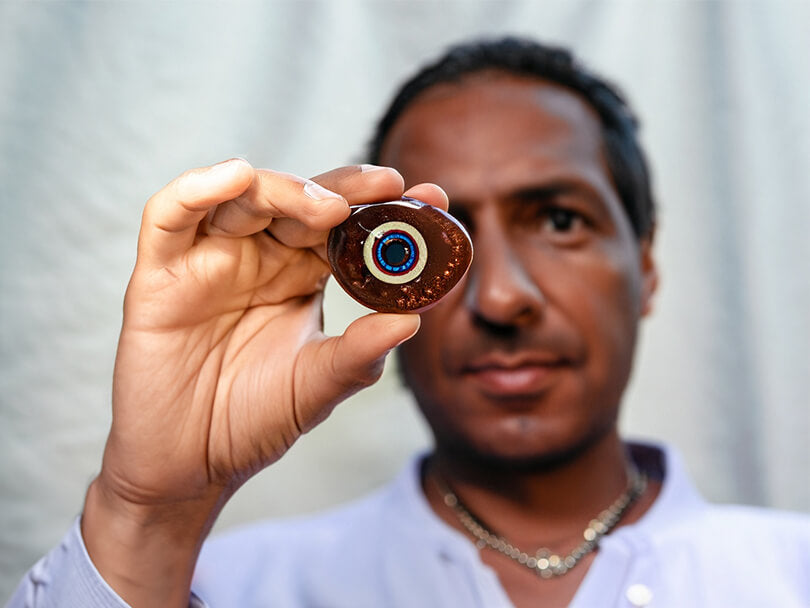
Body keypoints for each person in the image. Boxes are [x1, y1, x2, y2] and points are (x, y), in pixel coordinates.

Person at [9, 37, 810, 608]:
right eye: (434, 241)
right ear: (379, 277)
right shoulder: (211, 587)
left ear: (647, 267)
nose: (500, 299)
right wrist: (148, 517)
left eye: (560, 220)